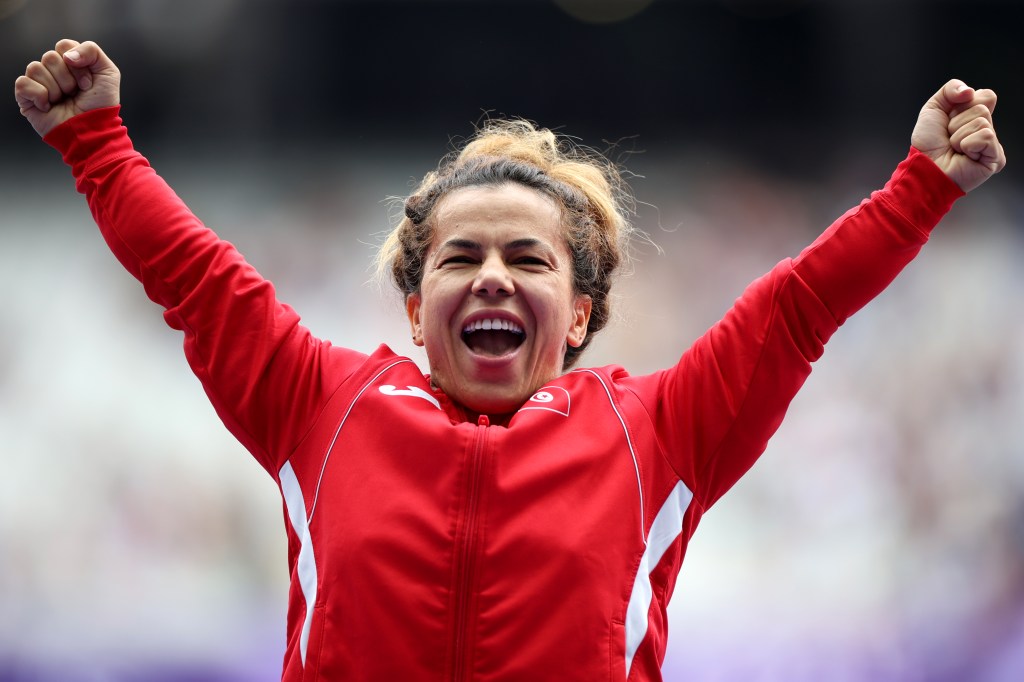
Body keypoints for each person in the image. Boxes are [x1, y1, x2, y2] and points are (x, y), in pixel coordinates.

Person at [14, 38, 1005, 681]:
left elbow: (796, 311)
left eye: (527, 258)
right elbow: (195, 280)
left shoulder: (656, 432)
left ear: (577, 314)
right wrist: (94, 140)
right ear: (414, 306)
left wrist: (922, 187)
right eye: (460, 257)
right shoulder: (320, 403)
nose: (492, 276)